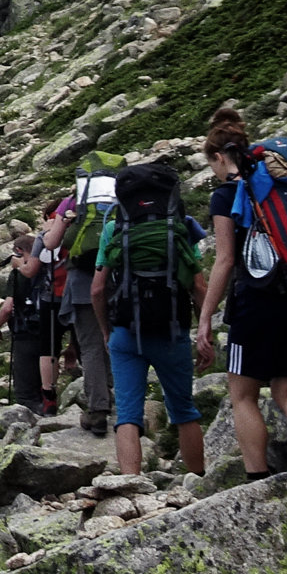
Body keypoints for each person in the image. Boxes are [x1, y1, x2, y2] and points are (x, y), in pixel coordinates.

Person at [195, 106, 287, 477]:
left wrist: (205, 318)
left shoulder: (226, 197)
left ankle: (257, 476)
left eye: (212, 164)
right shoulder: (286, 183)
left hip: (254, 306)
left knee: (243, 395)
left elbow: (223, 262)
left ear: (220, 156)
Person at [91, 162, 208, 478]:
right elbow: (198, 286)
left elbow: (97, 289)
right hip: (172, 330)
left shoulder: (114, 230)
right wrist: (203, 328)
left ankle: (130, 485)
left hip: (125, 332)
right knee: (184, 410)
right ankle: (197, 485)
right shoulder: (180, 227)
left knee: (127, 414)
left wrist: (106, 330)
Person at [56, 193, 115, 436]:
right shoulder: (122, 198)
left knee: (91, 347)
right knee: (117, 341)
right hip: (119, 283)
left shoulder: (72, 202)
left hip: (83, 288)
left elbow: (53, 243)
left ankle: (98, 411)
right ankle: (126, 406)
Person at [0, 234, 60, 413]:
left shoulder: (18, 274)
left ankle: (32, 425)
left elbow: (7, 307)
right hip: (50, 330)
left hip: (24, 333)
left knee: (25, 393)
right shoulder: (49, 269)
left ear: (19, 252)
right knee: (44, 382)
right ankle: (49, 408)